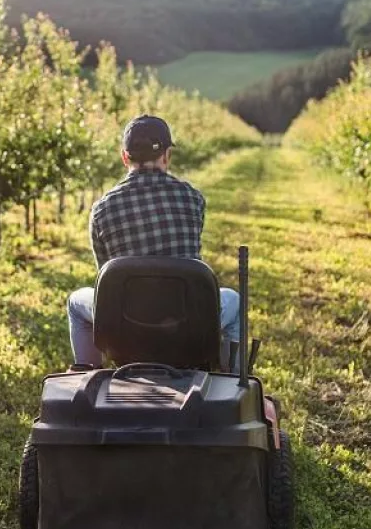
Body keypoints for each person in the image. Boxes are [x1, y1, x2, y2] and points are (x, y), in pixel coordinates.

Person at [67, 114, 241, 368]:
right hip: (186, 321)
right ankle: (231, 379)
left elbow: (105, 279)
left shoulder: (102, 209)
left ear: (125, 157)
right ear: (167, 155)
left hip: (126, 324)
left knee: (75, 301)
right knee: (233, 299)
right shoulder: (192, 198)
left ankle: (87, 373)